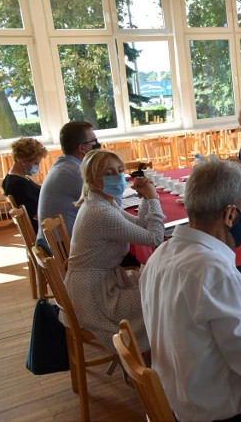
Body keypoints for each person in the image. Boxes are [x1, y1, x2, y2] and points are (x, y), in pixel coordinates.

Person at [141, 160, 241, 421]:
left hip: (177, 401)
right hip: (218, 413)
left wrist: (234, 286)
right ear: (230, 215)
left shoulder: (161, 254)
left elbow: (196, 302)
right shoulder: (215, 274)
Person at [61, 149, 164, 353]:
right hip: (93, 297)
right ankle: (160, 352)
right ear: (91, 180)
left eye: (119, 171)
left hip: (94, 284)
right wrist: (153, 199)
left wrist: (144, 198)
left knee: (155, 284)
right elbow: (155, 238)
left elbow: (142, 226)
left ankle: (159, 347)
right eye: (108, 173)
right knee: (161, 295)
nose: (117, 177)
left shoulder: (100, 203)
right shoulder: (101, 213)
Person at [36, 121, 100, 242]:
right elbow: (107, 203)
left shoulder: (65, 165)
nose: (97, 144)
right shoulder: (74, 172)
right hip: (62, 247)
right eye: (94, 141)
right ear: (82, 148)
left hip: (54, 241)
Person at [2, 137, 48, 234]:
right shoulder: (18, 184)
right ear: (23, 161)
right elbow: (35, 213)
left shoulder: (12, 177)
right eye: (35, 163)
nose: (37, 167)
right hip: (41, 231)